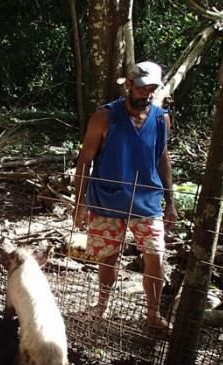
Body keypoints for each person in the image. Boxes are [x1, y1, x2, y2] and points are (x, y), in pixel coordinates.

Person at [73, 61, 178, 335]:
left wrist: (170, 202)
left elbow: (162, 159)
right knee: (108, 256)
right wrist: (80, 205)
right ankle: (102, 304)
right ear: (128, 85)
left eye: (153, 89)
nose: (147, 94)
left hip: (147, 201)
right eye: (142, 88)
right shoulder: (105, 116)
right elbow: (85, 161)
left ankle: (153, 313)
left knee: (156, 255)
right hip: (108, 200)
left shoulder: (160, 118)